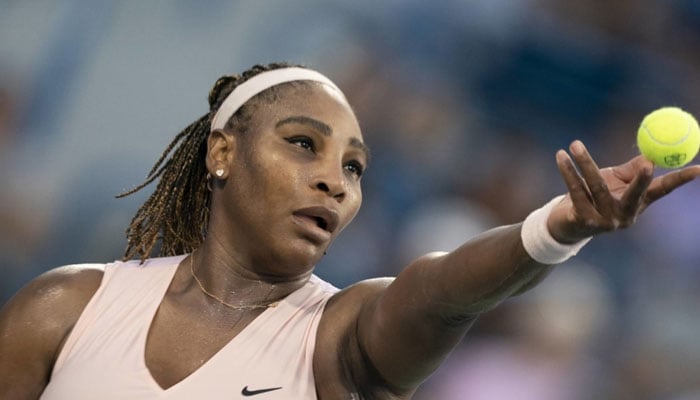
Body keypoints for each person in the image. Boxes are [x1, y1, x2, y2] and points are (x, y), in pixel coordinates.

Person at [0, 62, 698, 400]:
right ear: (222, 152)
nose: (336, 180)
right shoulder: (62, 308)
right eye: (303, 143)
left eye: (356, 167)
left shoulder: (342, 339)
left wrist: (557, 226)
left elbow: (440, 292)